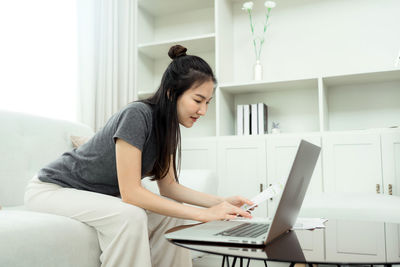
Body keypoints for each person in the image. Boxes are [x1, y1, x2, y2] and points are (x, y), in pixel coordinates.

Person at [24, 45, 253, 267]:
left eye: (207, 103)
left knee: (171, 215)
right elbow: (131, 192)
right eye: (197, 100)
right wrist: (204, 215)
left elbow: (170, 187)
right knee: (130, 216)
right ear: (172, 93)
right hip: (51, 189)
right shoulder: (137, 115)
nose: (203, 111)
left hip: (88, 195)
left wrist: (221, 202)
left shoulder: (169, 129)